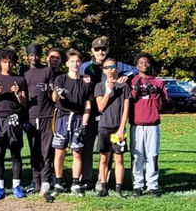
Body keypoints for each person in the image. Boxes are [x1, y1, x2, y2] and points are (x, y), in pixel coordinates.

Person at [80, 36, 135, 189]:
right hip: (91, 110)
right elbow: (74, 74)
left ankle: (103, 181)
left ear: (107, 50)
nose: (100, 51)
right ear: (92, 51)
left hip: (111, 114)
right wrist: (82, 77)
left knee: (111, 150)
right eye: (97, 49)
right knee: (89, 147)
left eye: (103, 49)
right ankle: (87, 178)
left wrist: (126, 76)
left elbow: (135, 69)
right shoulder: (85, 66)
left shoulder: (115, 64)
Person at [0, 48, 28, 201]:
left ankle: (16, 186)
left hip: (14, 119)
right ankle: (0, 187)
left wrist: (17, 94)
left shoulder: (20, 80)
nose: (8, 65)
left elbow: (24, 103)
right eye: (5, 62)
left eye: (10, 62)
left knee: (16, 153)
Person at [51, 49, 93, 197]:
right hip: (62, 118)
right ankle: (58, 181)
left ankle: (76, 182)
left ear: (80, 63)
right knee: (59, 151)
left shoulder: (86, 82)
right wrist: (58, 92)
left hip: (78, 119)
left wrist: (84, 125)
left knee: (77, 152)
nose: (75, 64)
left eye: (77, 61)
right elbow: (54, 98)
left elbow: (88, 105)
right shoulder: (60, 79)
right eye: (72, 61)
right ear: (67, 63)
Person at [129, 53, 167, 198]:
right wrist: (134, 92)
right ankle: (137, 185)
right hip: (136, 124)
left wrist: (155, 94)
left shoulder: (158, 82)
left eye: (146, 62)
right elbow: (127, 102)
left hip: (152, 124)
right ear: (137, 65)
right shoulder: (131, 80)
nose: (144, 64)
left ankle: (152, 185)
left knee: (152, 156)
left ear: (150, 64)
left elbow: (162, 105)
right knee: (137, 156)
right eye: (141, 62)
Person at [94, 57, 131, 198]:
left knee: (119, 159)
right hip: (104, 127)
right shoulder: (99, 86)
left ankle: (118, 188)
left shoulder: (125, 86)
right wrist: (108, 91)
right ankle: (103, 187)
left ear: (117, 68)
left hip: (118, 128)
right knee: (104, 159)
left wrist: (122, 128)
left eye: (112, 67)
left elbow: (126, 109)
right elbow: (100, 107)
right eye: (107, 67)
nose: (110, 70)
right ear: (103, 70)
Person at [22, 44, 56, 197]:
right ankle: (35, 181)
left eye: (36, 55)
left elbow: (53, 93)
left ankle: (46, 181)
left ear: (40, 56)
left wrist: (49, 90)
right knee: (34, 150)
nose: (33, 58)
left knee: (46, 151)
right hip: (30, 116)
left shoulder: (47, 70)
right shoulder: (24, 72)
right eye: (31, 55)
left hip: (47, 116)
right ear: (27, 56)